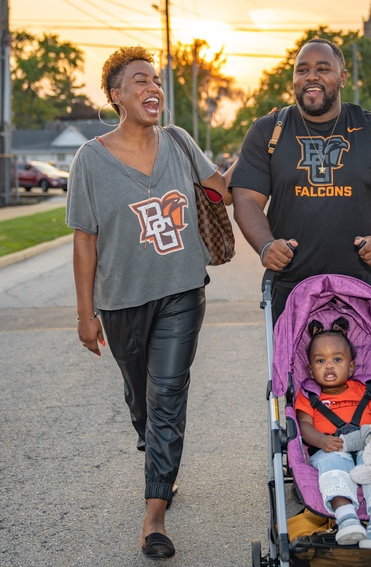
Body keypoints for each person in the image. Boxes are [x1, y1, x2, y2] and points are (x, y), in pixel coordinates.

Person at [66, 45, 234, 560]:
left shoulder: (181, 143)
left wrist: (258, 147)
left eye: (156, 80)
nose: (152, 88)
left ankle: (154, 515)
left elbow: (224, 193)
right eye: (139, 81)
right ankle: (157, 454)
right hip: (120, 303)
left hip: (182, 292)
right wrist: (85, 314)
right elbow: (84, 241)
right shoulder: (89, 160)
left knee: (167, 397)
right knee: (142, 402)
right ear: (116, 95)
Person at [231, 38, 371, 322]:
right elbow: (246, 198)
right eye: (302, 70)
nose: (311, 77)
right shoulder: (268, 131)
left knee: (366, 367)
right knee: (292, 368)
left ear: (343, 77)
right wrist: (265, 245)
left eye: (323, 69)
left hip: (362, 287)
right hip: (290, 288)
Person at [294, 317, 371, 550]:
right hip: (331, 447)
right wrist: (321, 440)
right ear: (310, 369)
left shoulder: (365, 389)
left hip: (367, 444)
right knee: (333, 463)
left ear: (351, 366)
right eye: (320, 360)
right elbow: (304, 425)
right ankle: (347, 518)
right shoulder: (309, 395)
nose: (329, 366)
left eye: (337, 359)